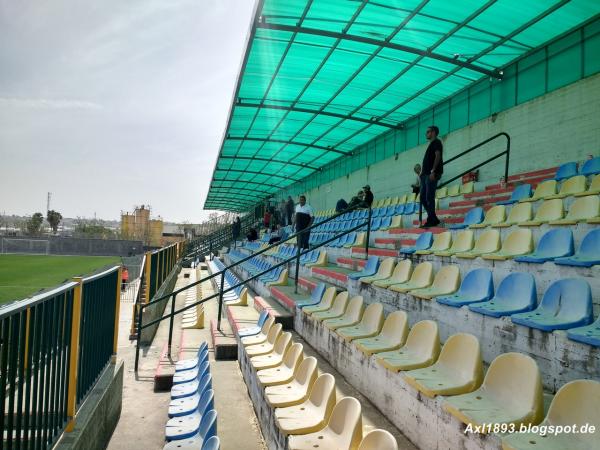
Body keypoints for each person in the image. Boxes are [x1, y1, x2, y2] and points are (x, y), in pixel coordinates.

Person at [420, 125, 444, 227]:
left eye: (428, 131)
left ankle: (431, 220)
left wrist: (433, 171)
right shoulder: (431, 144)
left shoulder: (437, 142)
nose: (426, 133)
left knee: (429, 197)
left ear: (433, 132)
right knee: (422, 197)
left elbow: (438, 156)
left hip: (431, 174)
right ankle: (433, 218)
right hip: (425, 175)